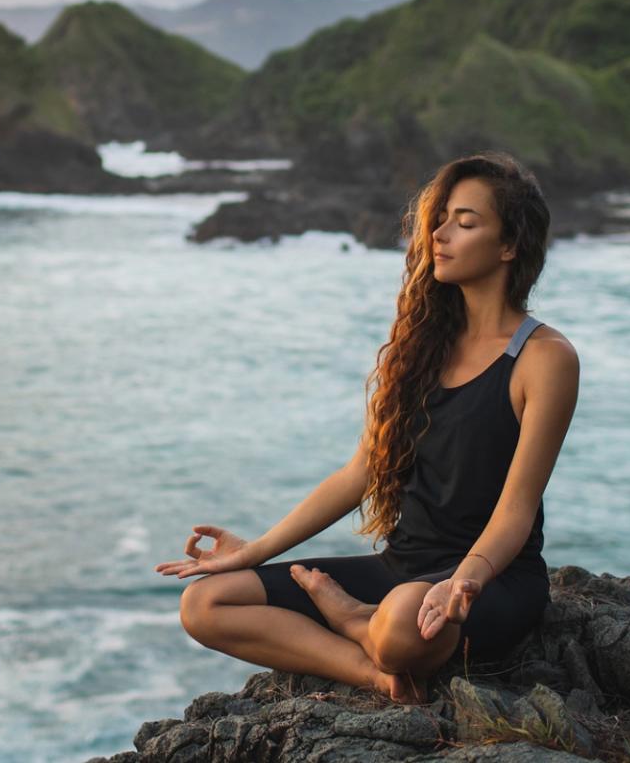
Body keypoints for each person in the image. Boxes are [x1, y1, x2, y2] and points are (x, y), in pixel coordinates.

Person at [155, 150, 580, 704]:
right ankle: (375, 672)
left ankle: (356, 619)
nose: (440, 233)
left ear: (509, 246)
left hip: (492, 583)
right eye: (442, 218)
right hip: (400, 567)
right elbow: (360, 473)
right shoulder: (422, 348)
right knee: (205, 605)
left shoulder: (545, 358)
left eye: (465, 222)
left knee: (405, 618)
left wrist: (464, 579)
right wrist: (254, 551)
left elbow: (517, 509)